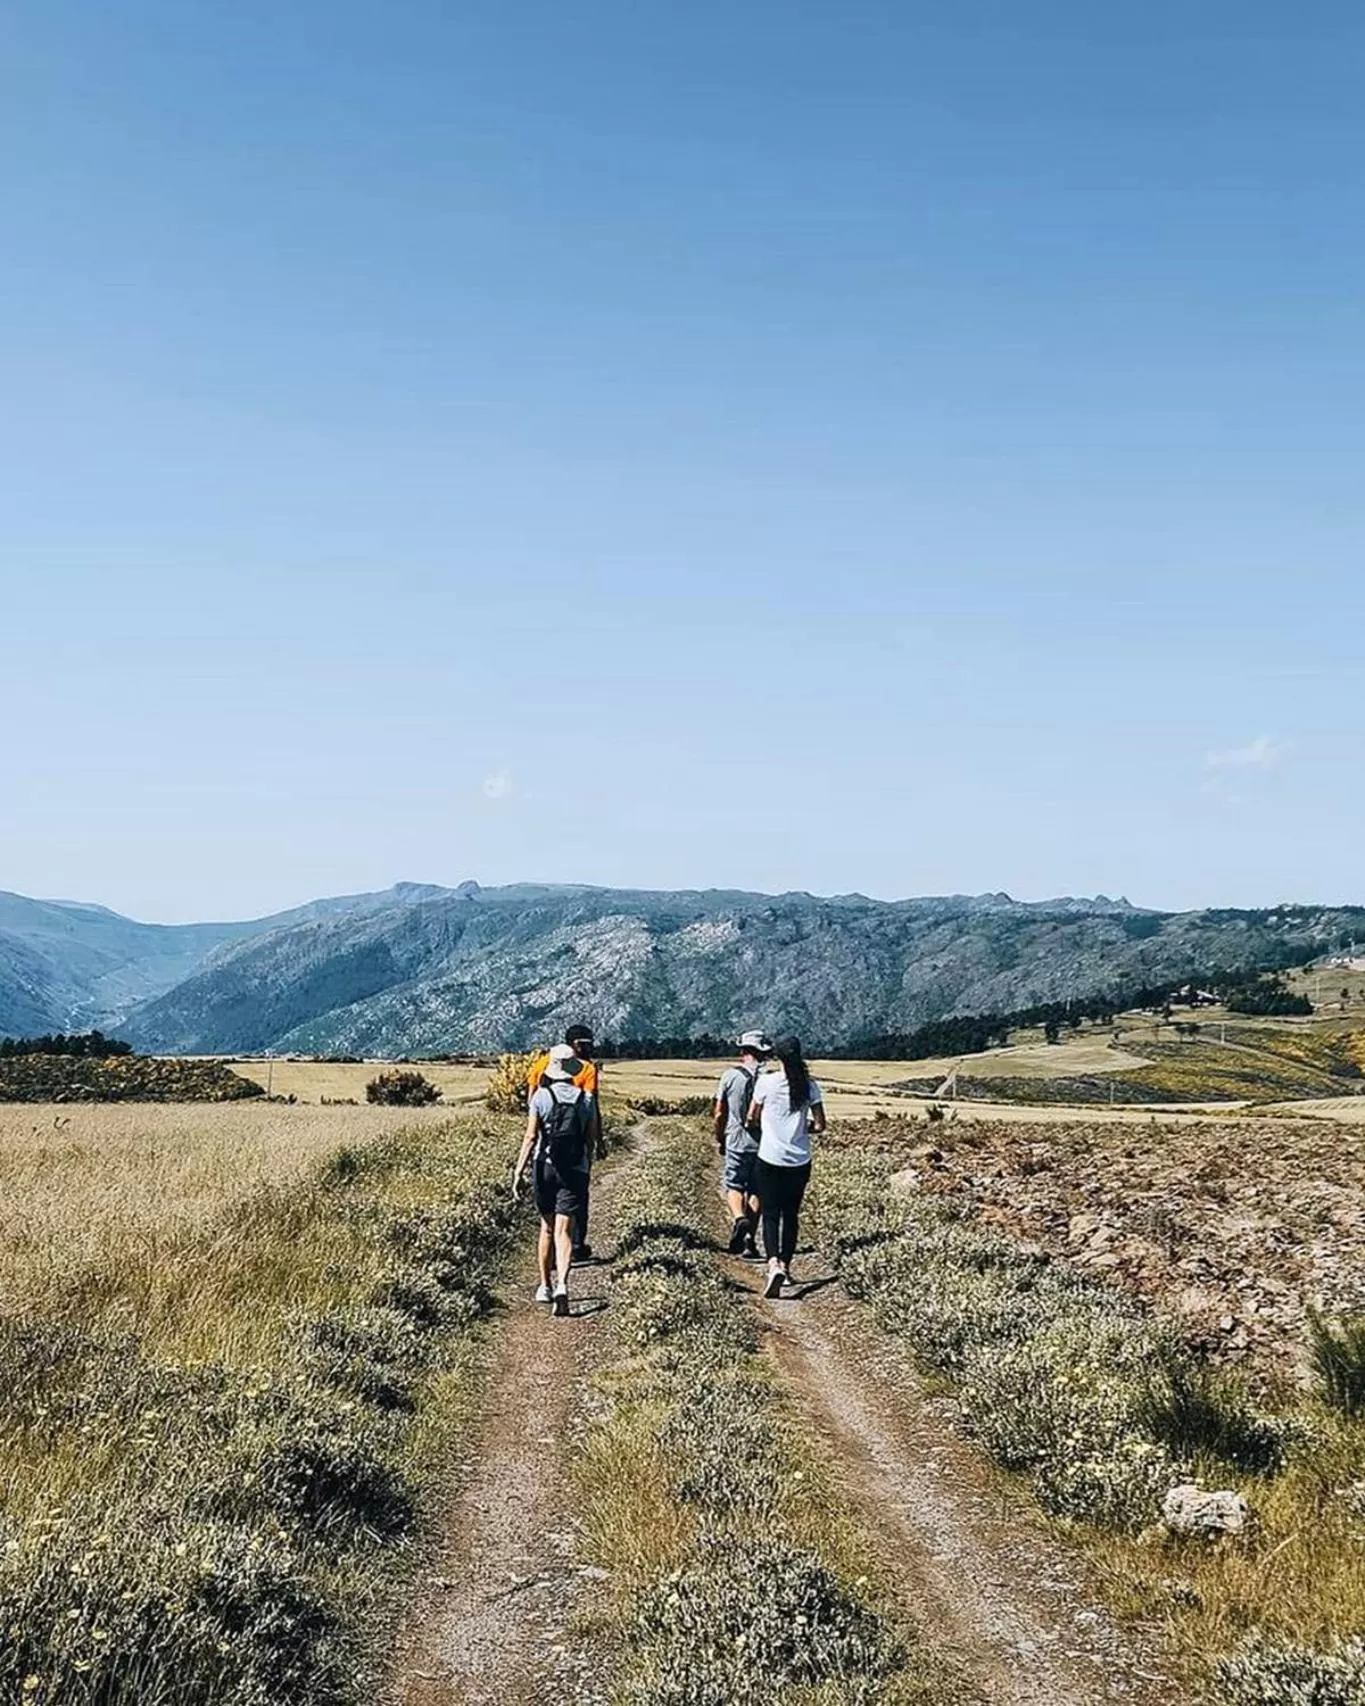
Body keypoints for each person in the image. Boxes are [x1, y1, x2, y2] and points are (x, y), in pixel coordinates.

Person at [513, 1044, 592, 1317]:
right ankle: (562, 1285)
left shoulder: (541, 1098)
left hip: (544, 1167)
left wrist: (518, 1171)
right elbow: (589, 1140)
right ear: (573, 1070)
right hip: (574, 1169)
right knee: (565, 1231)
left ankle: (545, 1285)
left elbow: (530, 1138)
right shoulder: (585, 1099)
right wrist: (587, 1167)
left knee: (546, 1228)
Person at [747, 1036, 826, 1298]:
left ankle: (772, 1265)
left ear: (777, 1057)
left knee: (770, 1213)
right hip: (799, 1159)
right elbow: (820, 1125)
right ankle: (786, 1265)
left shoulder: (766, 1083)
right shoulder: (810, 1086)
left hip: (769, 1157)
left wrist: (766, 1128)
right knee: (791, 1215)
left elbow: (752, 1116)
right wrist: (800, 1130)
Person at [527, 1024, 604, 1261]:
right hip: (575, 1144)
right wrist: (597, 1141)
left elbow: (531, 1096)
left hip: (545, 1141)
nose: (589, 1048)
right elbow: (592, 1107)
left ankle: (548, 1252)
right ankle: (576, 1245)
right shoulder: (587, 1069)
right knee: (576, 1195)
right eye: (585, 1043)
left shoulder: (541, 1064)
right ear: (575, 1045)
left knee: (547, 1204)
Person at [713, 1031, 771, 1256]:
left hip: (736, 1139)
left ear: (743, 1051)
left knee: (734, 1186)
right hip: (763, 1144)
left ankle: (739, 1219)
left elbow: (719, 1113)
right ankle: (750, 1242)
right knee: (757, 1191)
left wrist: (720, 1137)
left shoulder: (729, 1076)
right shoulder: (770, 1078)